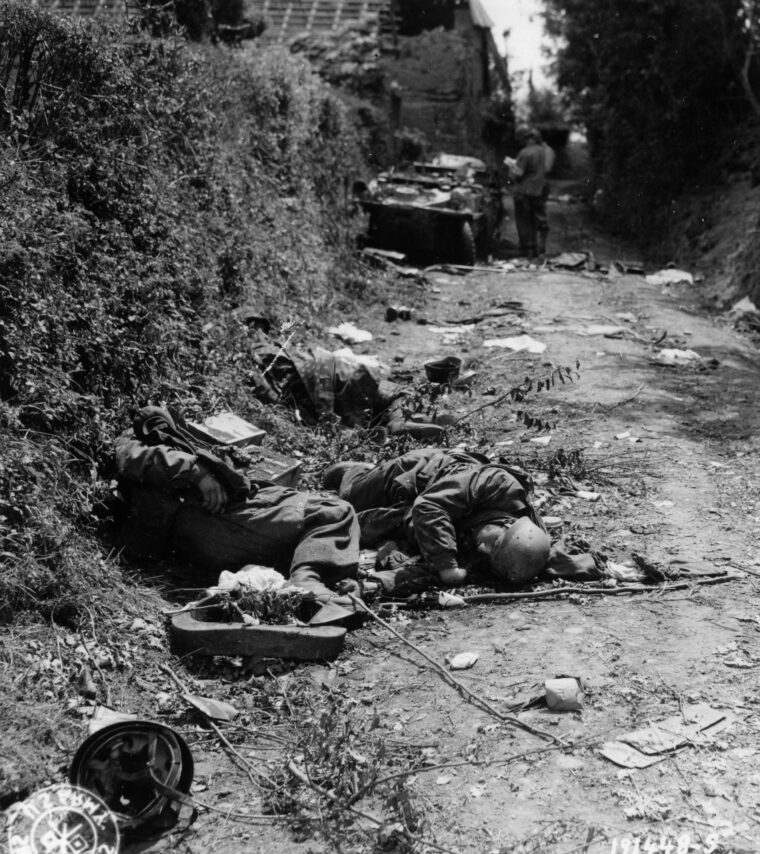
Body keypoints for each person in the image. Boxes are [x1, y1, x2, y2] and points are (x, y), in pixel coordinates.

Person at [114, 406, 360, 606]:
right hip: (214, 519)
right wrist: (198, 472)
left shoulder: (175, 441)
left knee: (319, 526)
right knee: (335, 511)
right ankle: (306, 581)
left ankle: (314, 577)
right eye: (153, 424)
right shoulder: (135, 443)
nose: (161, 429)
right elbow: (134, 458)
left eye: (165, 423)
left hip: (229, 515)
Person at [322, 448, 569, 591]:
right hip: (416, 475)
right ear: (507, 524)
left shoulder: (512, 549)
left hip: (416, 509)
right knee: (348, 499)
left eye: (490, 554)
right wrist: (448, 566)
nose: (482, 549)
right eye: (493, 544)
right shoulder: (498, 485)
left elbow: (547, 558)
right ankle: (357, 470)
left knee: (348, 524)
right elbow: (429, 506)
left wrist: (377, 584)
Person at [504, 126, 549, 259]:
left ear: (524, 139)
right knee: (535, 219)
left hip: (523, 191)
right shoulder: (541, 151)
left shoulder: (524, 153)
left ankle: (526, 250)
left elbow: (518, 174)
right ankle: (536, 249)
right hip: (538, 191)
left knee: (523, 221)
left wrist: (511, 166)